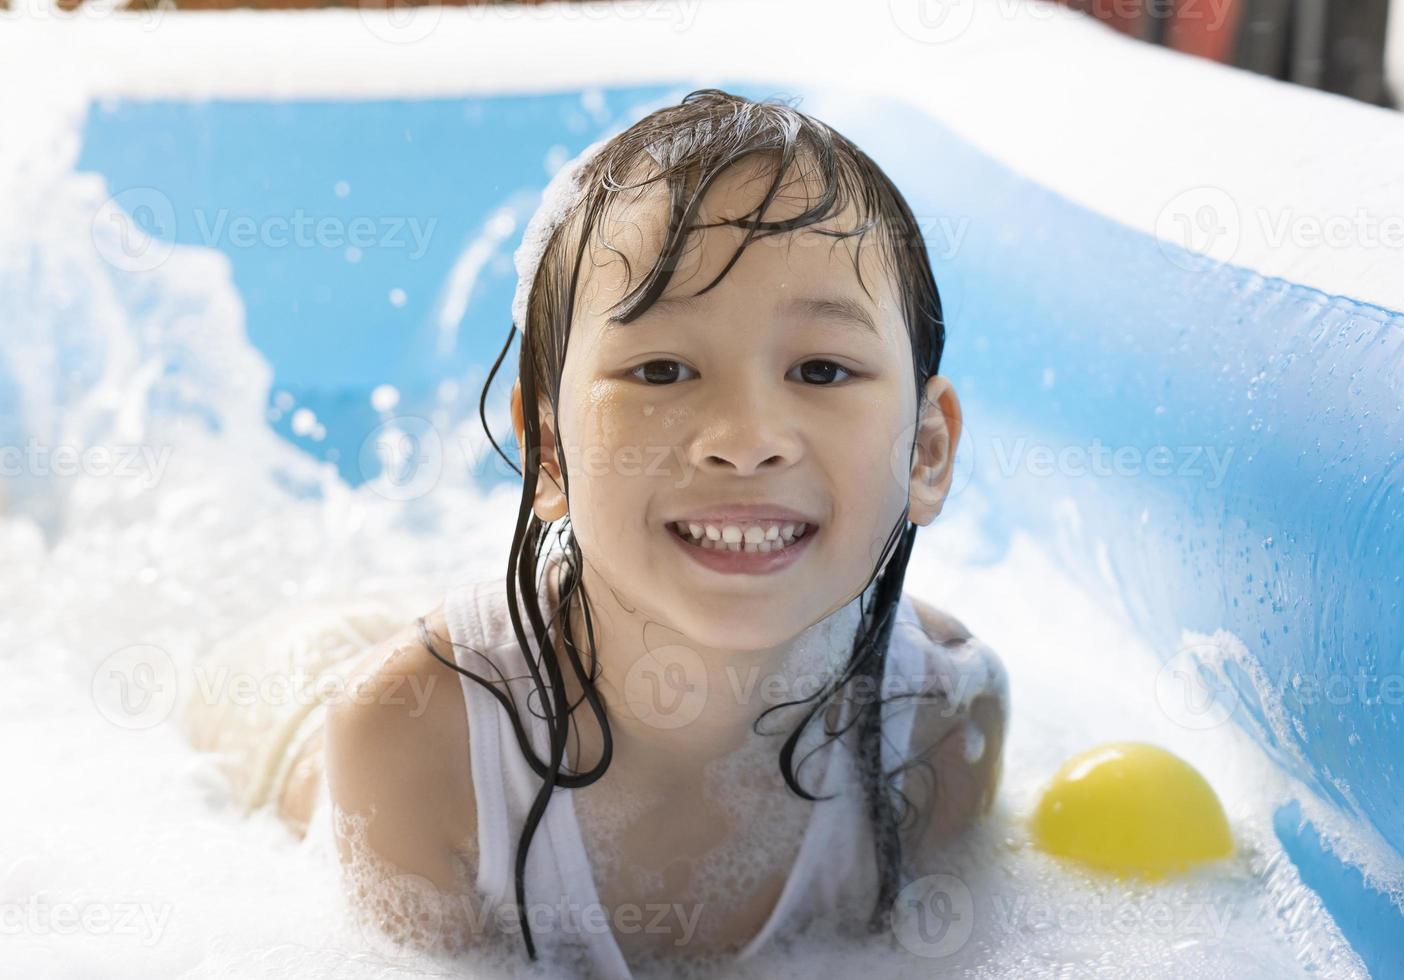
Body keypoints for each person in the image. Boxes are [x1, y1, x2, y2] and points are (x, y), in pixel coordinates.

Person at [187, 87, 1008, 978]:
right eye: (661, 368)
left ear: (926, 450)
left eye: (821, 368)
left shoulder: (940, 725)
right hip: (291, 700)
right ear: (548, 453)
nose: (745, 440)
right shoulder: (413, 750)